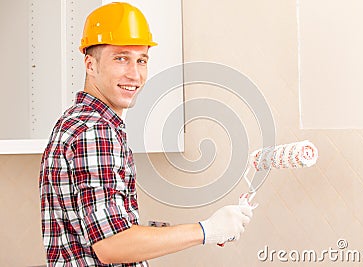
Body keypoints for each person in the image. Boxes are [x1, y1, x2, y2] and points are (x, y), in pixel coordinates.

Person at [39, 2, 253, 266]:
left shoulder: (77, 121)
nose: (135, 74)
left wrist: (167, 231)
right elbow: (112, 244)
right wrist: (206, 230)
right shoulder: (95, 131)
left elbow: (100, 231)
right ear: (90, 65)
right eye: (121, 58)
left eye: (141, 60)